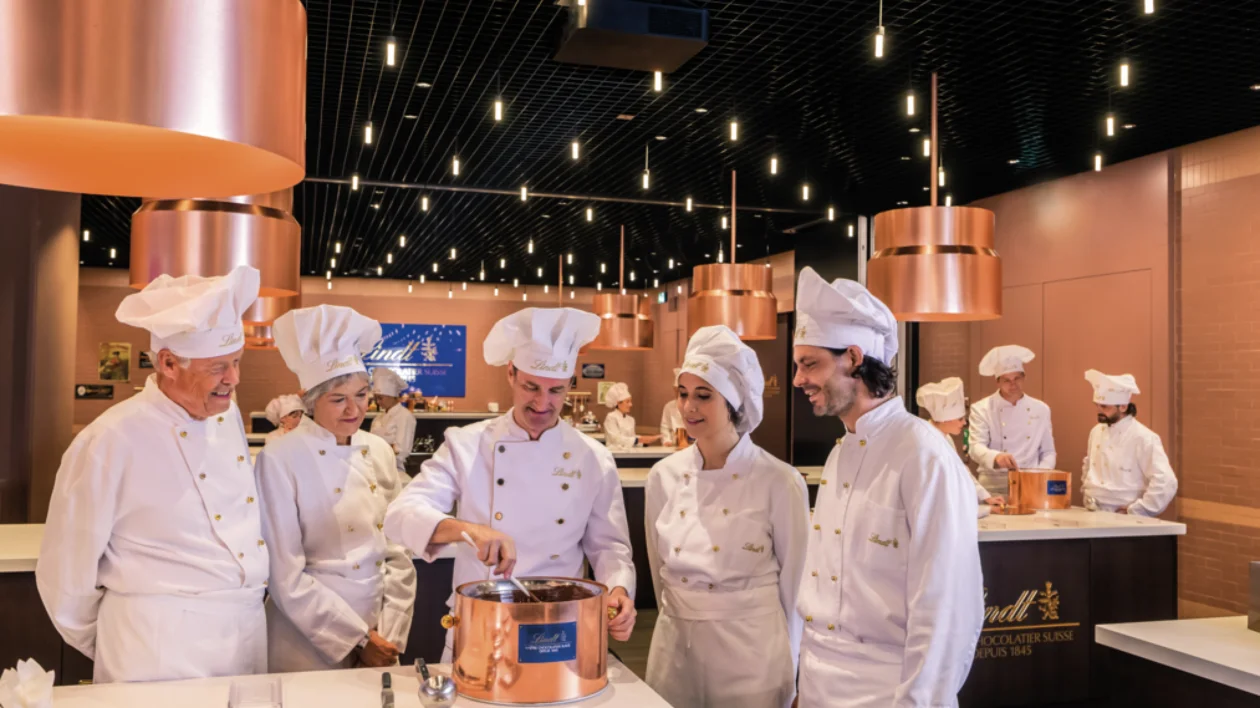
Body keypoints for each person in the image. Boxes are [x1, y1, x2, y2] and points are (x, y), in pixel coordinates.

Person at [37, 266, 267, 684]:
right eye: (219, 367)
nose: (234, 379)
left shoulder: (226, 413)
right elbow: (65, 578)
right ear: (168, 363)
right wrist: (124, 635)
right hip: (156, 649)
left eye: (236, 362)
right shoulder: (109, 439)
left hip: (245, 633)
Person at [384, 307, 638, 662]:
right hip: (481, 623)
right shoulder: (467, 445)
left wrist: (619, 590)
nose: (543, 402)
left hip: (559, 627)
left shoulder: (593, 457)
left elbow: (609, 547)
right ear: (510, 373)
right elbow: (400, 515)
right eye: (531, 386)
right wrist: (468, 530)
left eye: (556, 390)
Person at [791, 267, 983, 707]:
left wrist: (919, 701)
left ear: (854, 358)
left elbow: (946, 605)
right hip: (820, 680)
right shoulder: (841, 451)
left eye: (810, 364)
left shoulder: (924, 453)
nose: (800, 379)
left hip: (884, 690)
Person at [645, 325, 809, 708]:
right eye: (683, 394)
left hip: (752, 654)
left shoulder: (779, 481)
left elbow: (796, 585)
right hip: (675, 649)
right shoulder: (663, 476)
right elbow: (658, 573)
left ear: (734, 403)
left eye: (704, 396)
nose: (688, 407)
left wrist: (795, 669)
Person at [256, 305, 416, 672]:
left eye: (361, 395)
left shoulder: (377, 450)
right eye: (338, 399)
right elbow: (284, 575)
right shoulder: (281, 456)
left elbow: (397, 551)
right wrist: (357, 639)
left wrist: (388, 633)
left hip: (380, 633)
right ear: (310, 400)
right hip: (306, 636)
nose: (354, 410)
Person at [1082, 370, 1178, 516]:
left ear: (1123, 407)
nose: (1099, 411)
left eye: (1105, 407)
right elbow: (1088, 465)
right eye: (1097, 405)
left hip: (1124, 518)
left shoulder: (1143, 437)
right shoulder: (1096, 431)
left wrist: (1139, 509)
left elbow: (1166, 482)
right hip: (1092, 512)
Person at [968, 345, 1057, 497]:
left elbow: (1048, 451)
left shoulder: (1041, 409)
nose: (1013, 384)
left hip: (1029, 482)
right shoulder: (981, 408)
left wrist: (1039, 476)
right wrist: (995, 457)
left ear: (1024, 378)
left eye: (1017, 378)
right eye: (1006, 380)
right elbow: (975, 447)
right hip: (992, 485)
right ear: (997, 382)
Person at [916, 377, 1005, 511]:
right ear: (945, 420)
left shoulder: (946, 438)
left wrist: (986, 497)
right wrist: (985, 509)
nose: (964, 423)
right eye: (960, 419)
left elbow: (962, 471)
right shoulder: (927, 442)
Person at [369, 367, 418, 477]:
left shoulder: (405, 416)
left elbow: (401, 451)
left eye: (380, 398)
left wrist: (376, 450)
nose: (378, 402)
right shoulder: (377, 418)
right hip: (374, 469)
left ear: (393, 396)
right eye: (376, 398)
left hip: (394, 471)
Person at [603, 382, 661, 448]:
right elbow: (616, 439)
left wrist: (645, 442)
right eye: (627, 402)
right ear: (618, 403)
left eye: (630, 401)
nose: (631, 405)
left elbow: (632, 440)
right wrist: (639, 439)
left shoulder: (631, 419)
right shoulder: (611, 417)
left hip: (630, 454)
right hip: (615, 454)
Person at [659, 370, 685, 445]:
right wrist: (667, 440)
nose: (678, 393)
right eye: (676, 390)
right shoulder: (669, 406)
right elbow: (665, 427)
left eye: (680, 391)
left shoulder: (692, 405)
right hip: (673, 444)